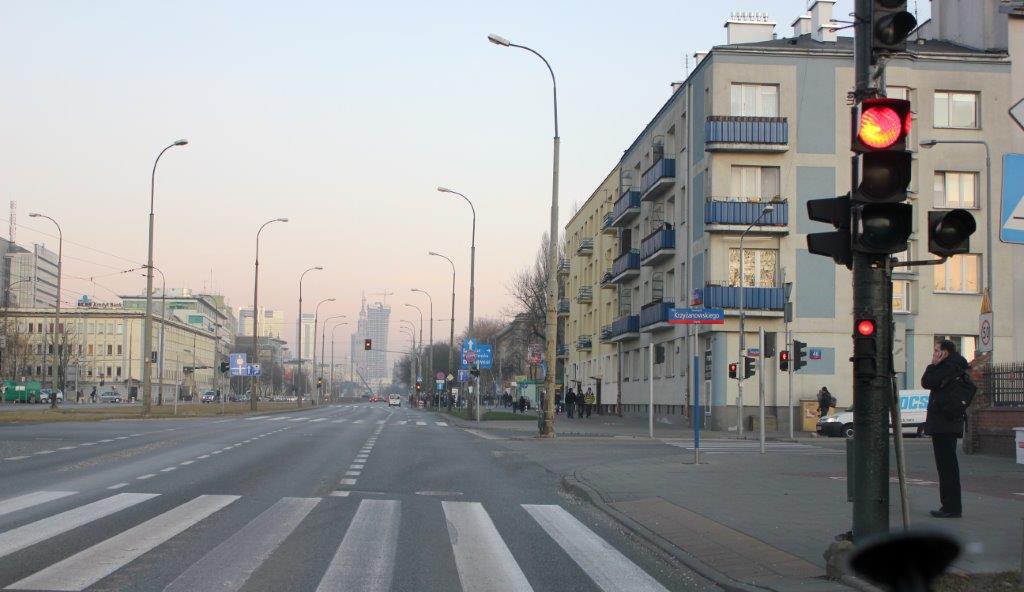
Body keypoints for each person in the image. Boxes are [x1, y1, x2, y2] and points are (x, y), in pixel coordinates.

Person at [922, 340, 969, 518]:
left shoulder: (946, 367)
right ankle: (950, 505)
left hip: (944, 422)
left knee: (947, 467)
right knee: (948, 466)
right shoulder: (957, 366)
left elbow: (927, 382)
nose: (934, 354)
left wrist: (933, 365)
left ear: (945, 352)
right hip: (950, 422)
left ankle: (951, 507)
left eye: (936, 351)